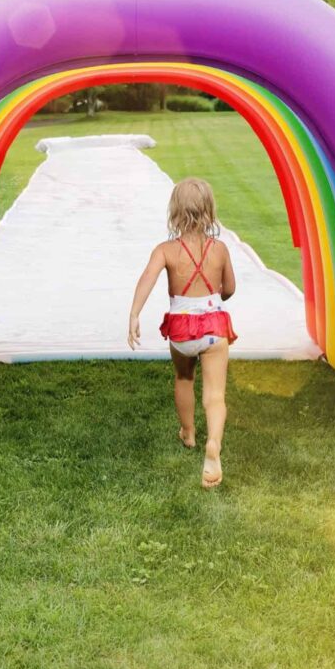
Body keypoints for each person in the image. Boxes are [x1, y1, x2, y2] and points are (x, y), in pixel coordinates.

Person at [128, 177, 237, 488]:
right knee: (215, 395)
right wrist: (214, 295)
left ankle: (188, 433)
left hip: (181, 330)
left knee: (184, 378)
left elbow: (147, 278)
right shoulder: (220, 249)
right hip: (214, 327)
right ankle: (213, 443)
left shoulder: (165, 250)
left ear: (174, 211)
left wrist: (134, 314)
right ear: (209, 211)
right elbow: (229, 289)